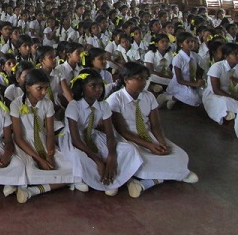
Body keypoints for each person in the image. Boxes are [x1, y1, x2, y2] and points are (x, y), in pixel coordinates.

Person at [107, 63, 198, 198]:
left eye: (145, 78)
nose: (143, 82)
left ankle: (146, 182)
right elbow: (122, 131)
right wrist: (149, 146)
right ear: (126, 80)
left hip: (148, 135)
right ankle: (160, 178)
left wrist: (161, 142)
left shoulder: (148, 96)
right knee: (137, 159)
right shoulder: (116, 99)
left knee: (181, 155)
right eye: (138, 78)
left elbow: (156, 125)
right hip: (129, 138)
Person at [59, 69, 142, 195]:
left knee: (130, 149)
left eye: (100, 86)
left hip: (92, 135)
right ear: (82, 87)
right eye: (93, 86)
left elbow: (110, 134)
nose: (98, 89)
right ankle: (102, 179)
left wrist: (112, 156)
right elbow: (76, 139)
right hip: (73, 138)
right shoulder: (74, 105)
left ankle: (110, 177)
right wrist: (98, 160)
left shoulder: (103, 105)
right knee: (79, 157)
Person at [10, 69, 75, 203]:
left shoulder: (47, 104)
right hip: (25, 145)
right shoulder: (16, 104)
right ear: (28, 88)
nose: (44, 92)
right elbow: (18, 138)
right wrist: (40, 159)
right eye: (39, 88)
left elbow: (50, 133)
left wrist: (49, 155)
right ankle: (59, 182)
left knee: (73, 169)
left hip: (44, 142)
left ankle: (35, 190)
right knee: (29, 172)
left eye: (46, 88)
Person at [157, 32, 204, 109]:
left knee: (203, 95)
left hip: (192, 83)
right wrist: (194, 84)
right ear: (181, 44)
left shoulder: (195, 56)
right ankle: (166, 97)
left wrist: (199, 80)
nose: (191, 44)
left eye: (192, 41)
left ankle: (174, 100)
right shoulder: (178, 59)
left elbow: (199, 70)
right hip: (180, 84)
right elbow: (179, 80)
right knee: (195, 99)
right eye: (187, 42)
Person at [202, 42, 238, 131]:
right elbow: (216, 90)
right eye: (235, 54)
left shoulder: (236, 67)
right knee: (225, 101)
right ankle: (228, 116)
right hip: (215, 95)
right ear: (226, 56)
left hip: (230, 92)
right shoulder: (217, 67)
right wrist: (234, 97)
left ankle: (231, 114)